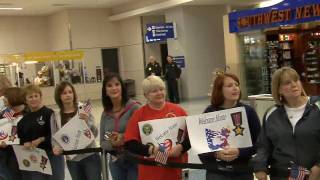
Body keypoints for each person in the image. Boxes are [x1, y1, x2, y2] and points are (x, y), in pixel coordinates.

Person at [252, 67, 320, 180]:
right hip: (282, 175)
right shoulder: (271, 114)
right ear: (278, 89)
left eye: (296, 80)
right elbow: (263, 146)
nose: (294, 84)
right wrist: (260, 167)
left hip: (314, 175)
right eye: (287, 83)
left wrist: (318, 167)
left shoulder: (317, 107)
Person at [124, 75, 189, 180]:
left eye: (161, 89)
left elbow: (191, 137)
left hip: (175, 170)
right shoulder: (139, 114)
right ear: (146, 95)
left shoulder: (178, 111)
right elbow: (130, 143)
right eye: (154, 91)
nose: (159, 93)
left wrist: (181, 147)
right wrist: (152, 150)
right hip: (150, 172)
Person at [199, 72, 261, 180]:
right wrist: (216, 154)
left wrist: (239, 152)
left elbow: (260, 143)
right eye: (229, 86)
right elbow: (200, 146)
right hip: (217, 170)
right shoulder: (209, 113)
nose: (235, 88)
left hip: (243, 169)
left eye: (236, 85)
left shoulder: (248, 111)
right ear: (219, 90)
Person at [50, 81, 101, 180]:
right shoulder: (55, 116)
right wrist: (56, 147)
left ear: (74, 93)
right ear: (59, 96)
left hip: (90, 156)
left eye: (70, 92)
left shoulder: (82, 109)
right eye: (64, 93)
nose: (68, 95)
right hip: (72, 159)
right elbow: (54, 139)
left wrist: (87, 122)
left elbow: (95, 133)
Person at [17, 85, 65, 180]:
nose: (33, 99)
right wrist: (24, 143)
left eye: (36, 96)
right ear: (25, 100)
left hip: (52, 156)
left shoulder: (50, 113)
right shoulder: (23, 120)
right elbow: (22, 138)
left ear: (40, 97)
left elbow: (57, 135)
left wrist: (42, 139)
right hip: (35, 158)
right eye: (30, 97)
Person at [100, 73, 140, 180]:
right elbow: (103, 142)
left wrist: (123, 138)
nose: (114, 88)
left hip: (134, 160)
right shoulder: (105, 114)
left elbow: (142, 135)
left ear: (122, 87)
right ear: (105, 91)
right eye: (109, 85)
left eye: (117, 84)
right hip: (115, 162)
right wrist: (112, 143)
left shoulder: (134, 108)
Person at [0, 87, 28, 180]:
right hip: (5, 152)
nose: (3, 99)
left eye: (6, 97)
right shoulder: (7, 111)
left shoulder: (27, 113)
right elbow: (4, 125)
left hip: (21, 152)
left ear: (13, 97)